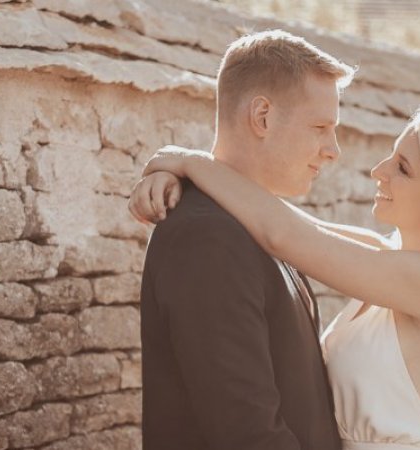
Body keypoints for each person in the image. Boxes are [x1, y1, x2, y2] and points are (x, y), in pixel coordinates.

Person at [130, 94, 420, 449]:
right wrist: (182, 177)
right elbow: (282, 218)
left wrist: (186, 159)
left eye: (402, 167)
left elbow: (281, 234)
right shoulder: (387, 258)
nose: (378, 171)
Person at [134, 29, 354, 450]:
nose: (333, 150)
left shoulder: (261, 226)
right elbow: (248, 434)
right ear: (263, 117)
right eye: (321, 127)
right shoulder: (207, 238)